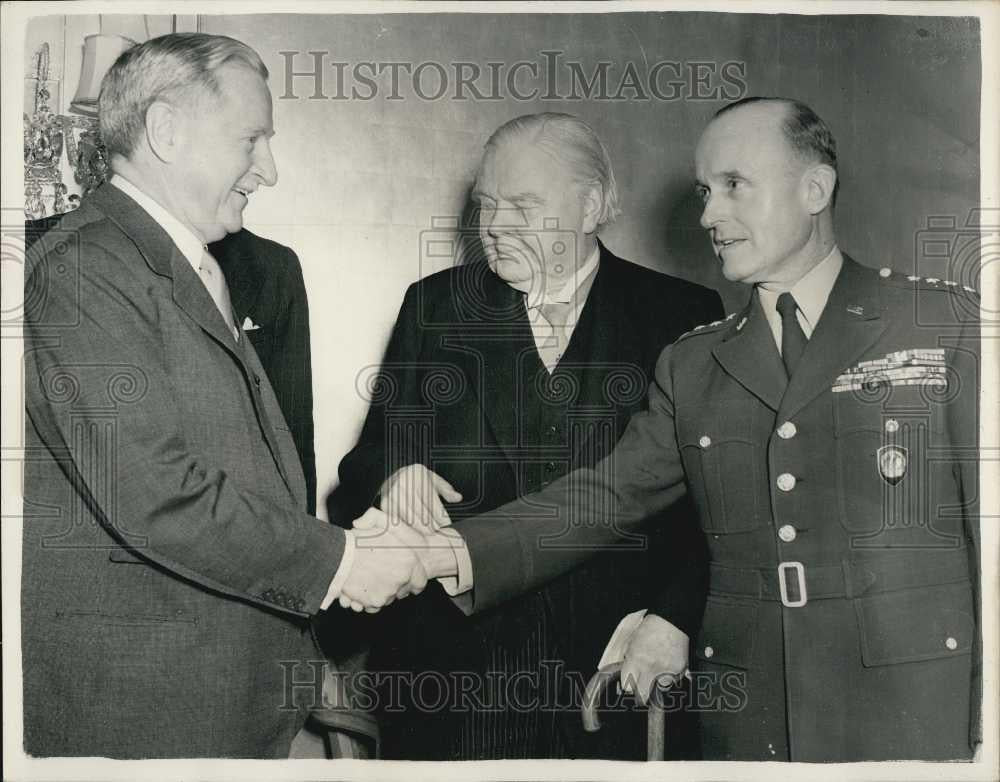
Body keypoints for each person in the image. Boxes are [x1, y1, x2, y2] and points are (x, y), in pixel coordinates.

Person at [408, 97, 981, 761]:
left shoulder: (946, 322)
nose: (709, 215)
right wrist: (443, 554)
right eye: (707, 191)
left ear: (814, 188)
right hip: (747, 714)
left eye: (735, 186)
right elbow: (603, 499)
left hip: (912, 708)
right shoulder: (695, 359)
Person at [21, 32, 437, 758]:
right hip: (144, 713)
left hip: (212, 696)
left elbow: (240, 473)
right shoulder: (83, 271)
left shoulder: (176, 267)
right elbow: (156, 493)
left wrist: (339, 552)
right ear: (165, 131)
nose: (268, 170)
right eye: (252, 140)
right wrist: (340, 560)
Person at [336, 112, 721, 759]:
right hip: (456, 686)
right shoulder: (434, 308)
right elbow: (363, 463)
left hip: (620, 678)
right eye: (487, 205)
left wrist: (675, 617)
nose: (496, 226)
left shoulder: (682, 317)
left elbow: (718, 506)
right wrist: (393, 474)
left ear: (593, 205)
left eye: (523, 205)